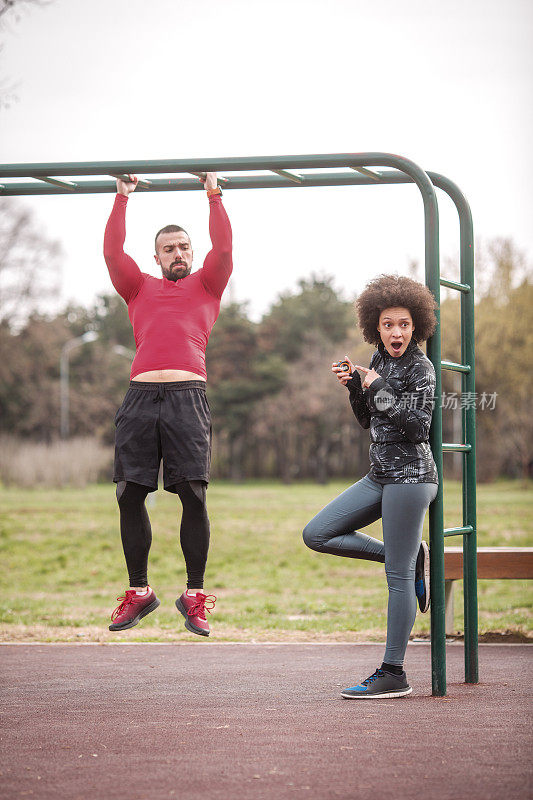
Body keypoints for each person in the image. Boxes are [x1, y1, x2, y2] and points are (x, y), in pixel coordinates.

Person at [103, 171, 232, 637]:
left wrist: (212, 192)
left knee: (192, 495)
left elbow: (223, 248)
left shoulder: (208, 284)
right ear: (156, 256)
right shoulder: (137, 287)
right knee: (128, 494)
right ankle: (139, 592)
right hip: (139, 398)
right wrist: (122, 197)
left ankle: (194, 594)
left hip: (187, 399)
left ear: (191, 254)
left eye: (184, 248)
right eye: (169, 248)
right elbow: (113, 253)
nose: (178, 254)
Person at [303, 274, 438, 698]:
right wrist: (354, 389)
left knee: (396, 579)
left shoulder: (421, 368)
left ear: (416, 324)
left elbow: (418, 427)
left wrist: (376, 387)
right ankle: (411, 556)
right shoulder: (377, 360)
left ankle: (393, 673)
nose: (395, 332)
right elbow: (369, 420)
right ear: (374, 327)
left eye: (402, 324)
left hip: (412, 478)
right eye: (387, 325)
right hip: (380, 475)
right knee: (318, 534)